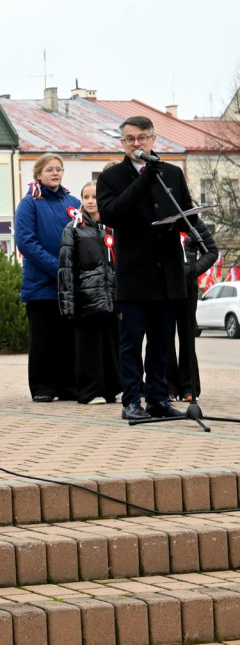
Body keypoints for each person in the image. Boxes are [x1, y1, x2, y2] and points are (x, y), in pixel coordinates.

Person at [97, 115, 191, 421]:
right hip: (135, 274)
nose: (136, 144)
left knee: (162, 342)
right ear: (123, 143)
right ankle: (132, 402)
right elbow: (111, 214)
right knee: (132, 342)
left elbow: (185, 211)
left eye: (141, 138)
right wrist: (143, 180)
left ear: (153, 139)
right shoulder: (111, 178)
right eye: (129, 139)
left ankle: (158, 399)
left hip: (168, 273)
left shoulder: (172, 173)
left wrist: (201, 235)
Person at [14, 154, 79, 403]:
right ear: (38, 174)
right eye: (49, 169)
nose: (55, 173)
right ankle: (43, 387)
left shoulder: (72, 202)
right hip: (41, 285)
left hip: (69, 287)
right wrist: (58, 269)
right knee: (44, 340)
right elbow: (27, 242)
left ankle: (68, 386)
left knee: (67, 338)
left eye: (59, 169)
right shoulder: (30, 203)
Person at [57, 181, 121, 405]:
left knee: (113, 344)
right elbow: (66, 268)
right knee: (89, 347)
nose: (91, 201)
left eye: (95, 197)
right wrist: (68, 304)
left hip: (111, 297)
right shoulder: (73, 228)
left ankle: (115, 387)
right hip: (86, 298)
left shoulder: (113, 226)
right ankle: (90, 391)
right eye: (86, 197)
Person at [165, 218, 218, 401]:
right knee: (166, 337)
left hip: (188, 288)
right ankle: (169, 386)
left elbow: (211, 252)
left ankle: (189, 387)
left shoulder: (193, 222)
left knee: (187, 337)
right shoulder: (161, 219)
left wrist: (192, 269)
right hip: (164, 288)